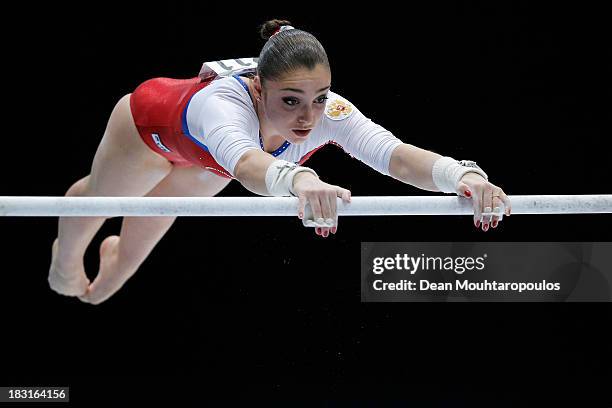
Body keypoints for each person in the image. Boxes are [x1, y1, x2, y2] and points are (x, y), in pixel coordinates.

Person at [48, 19, 512, 305]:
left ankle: (107, 266)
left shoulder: (326, 112)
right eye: (291, 101)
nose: (309, 117)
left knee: (120, 270)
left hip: (208, 163)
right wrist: (302, 178)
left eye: (319, 98)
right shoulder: (224, 104)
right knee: (100, 208)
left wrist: (462, 175)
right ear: (257, 87)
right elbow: (246, 163)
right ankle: (63, 261)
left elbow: (396, 157)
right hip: (149, 130)